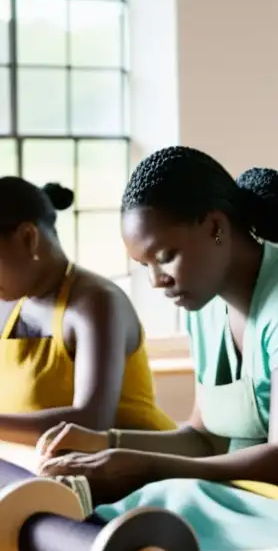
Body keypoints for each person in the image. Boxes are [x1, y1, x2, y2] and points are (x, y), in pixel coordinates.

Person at [36, 147, 278, 505]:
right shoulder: (204, 305)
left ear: (216, 228)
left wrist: (146, 468)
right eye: (145, 266)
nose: (157, 280)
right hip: (265, 501)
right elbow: (204, 439)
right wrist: (104, 442)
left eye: (164, 258)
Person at [0, 177, 175, 446]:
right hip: (47, 475)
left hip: (138, 471)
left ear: (28, 237)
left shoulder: (96, 304)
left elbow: (92, 421)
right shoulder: (10, 304)